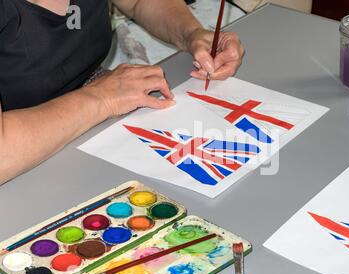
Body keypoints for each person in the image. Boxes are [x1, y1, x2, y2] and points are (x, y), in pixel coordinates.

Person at [0, 0, 244, 184]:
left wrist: (191, 34)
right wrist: (100, 99)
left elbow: (139, 2)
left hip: (86, 113)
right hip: (22, 153)